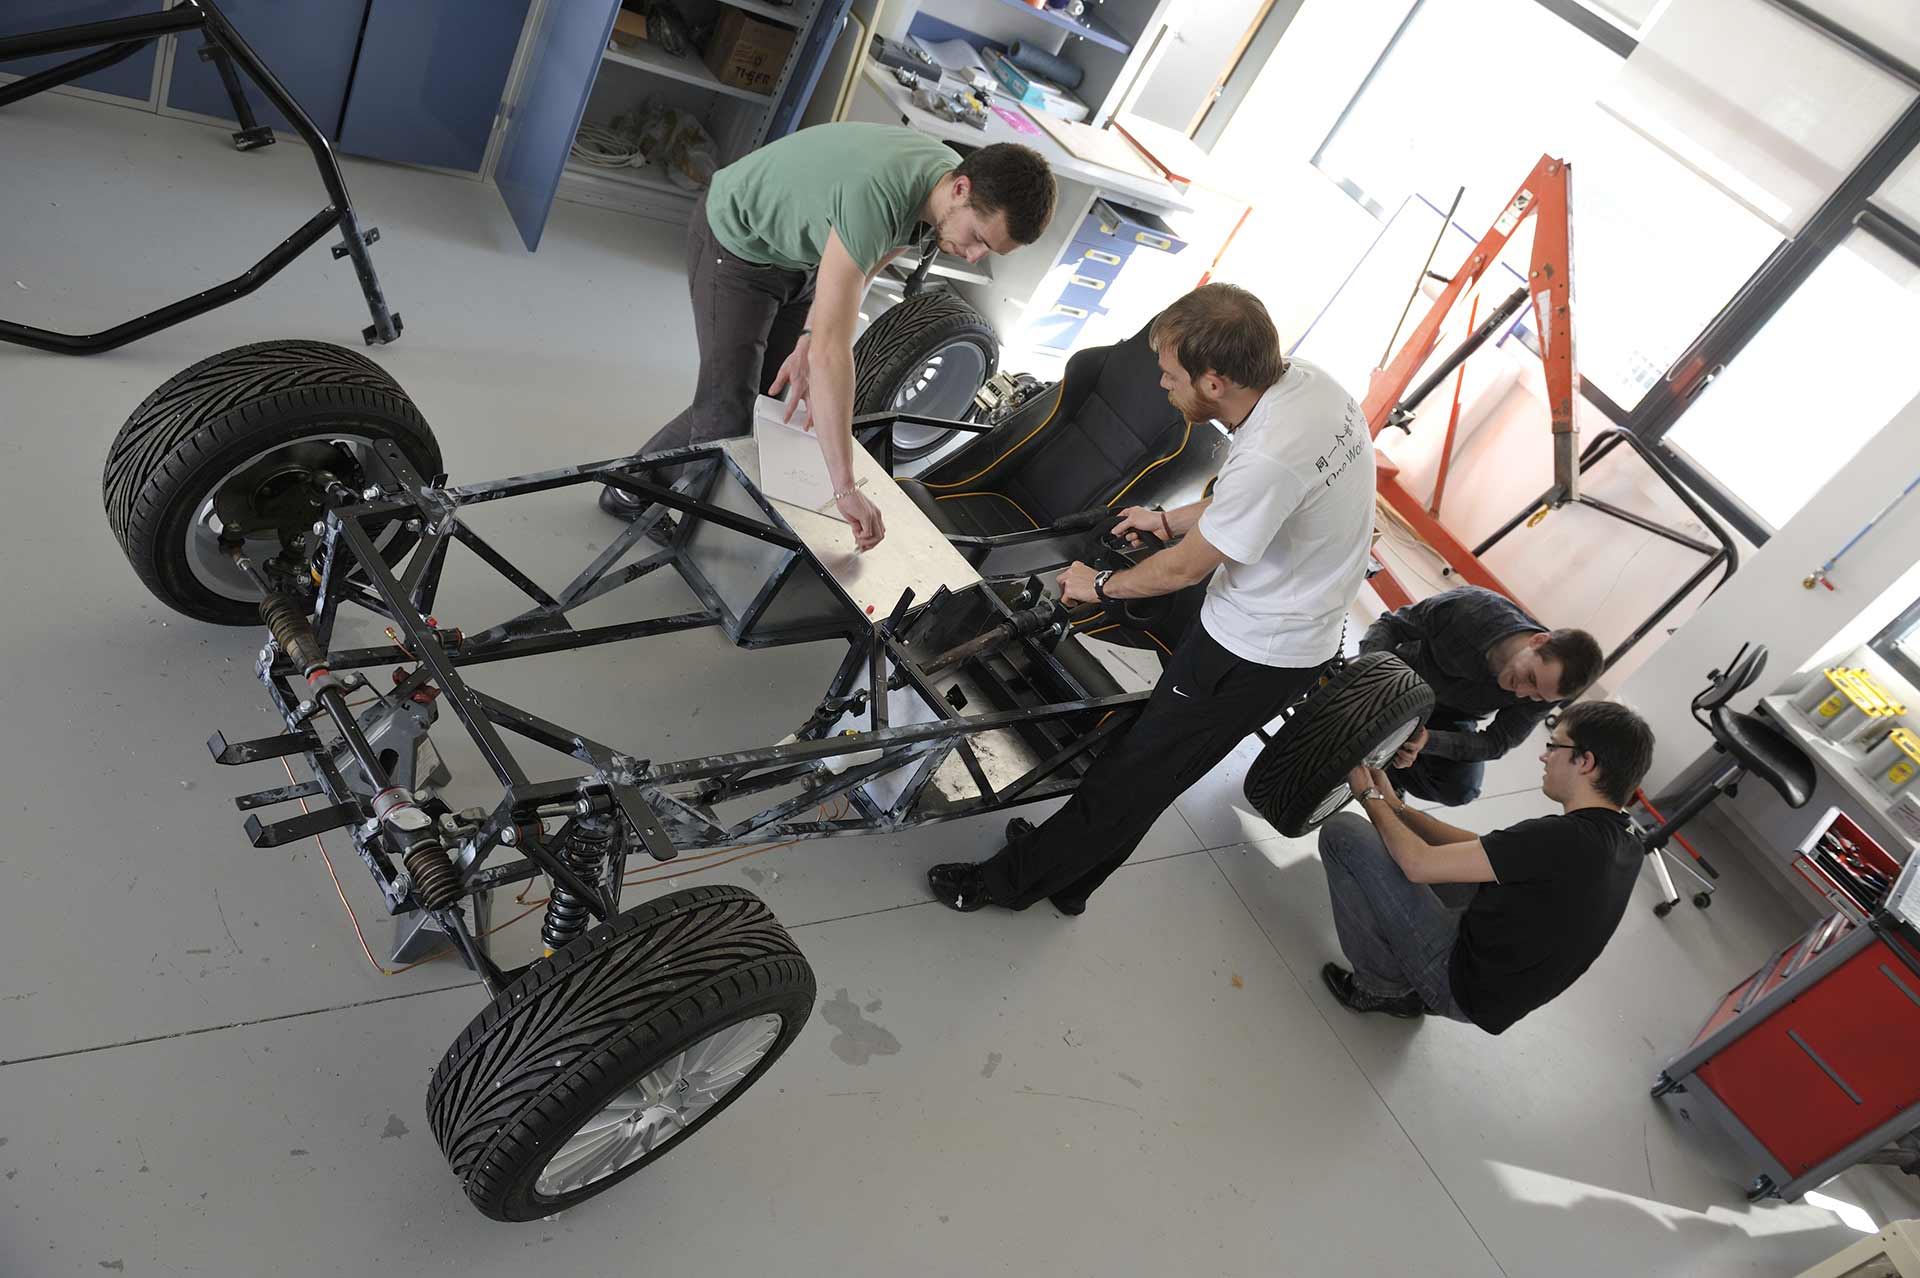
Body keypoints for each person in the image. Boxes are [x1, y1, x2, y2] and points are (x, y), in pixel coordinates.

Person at [927, 282, 1376, 916]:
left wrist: (1099, 585)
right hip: (1291, 615)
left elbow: (1182, 573)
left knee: (1134, 774)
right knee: (1148, 767)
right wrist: (1166, 521)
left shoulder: (1271, 454)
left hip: (1256, 650)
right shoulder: (1306, 384)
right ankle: (1072, 880)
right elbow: (1250, 505)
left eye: (1170, 376)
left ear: (1215, 382)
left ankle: (1010, 883)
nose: (1161, 386)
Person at [600, 123, 1057, 551]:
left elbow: (872, 258)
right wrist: (844, 487)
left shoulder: (939, 184)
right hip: (737, 246)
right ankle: (647, 507)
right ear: (962, 190)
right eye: (978, 237)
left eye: (988, 250)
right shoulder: (879, 193)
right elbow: (834, 355)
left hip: (802, 259)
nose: (974, 257)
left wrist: (808, 335)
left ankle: (634, 479)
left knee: (764, 396)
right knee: (728, 417)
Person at [1317, 699, 1654, 1032]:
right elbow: (1485, 849)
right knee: (1450, 858)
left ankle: (1383, 989)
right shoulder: (1623, 838)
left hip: (1458, 983)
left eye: (1554, 745)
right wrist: (1396, 807)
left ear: (1586, 762)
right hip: (1498, 988)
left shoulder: (1564, 837)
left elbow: (1417, 864)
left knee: (1344, 834)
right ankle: (1406, 977)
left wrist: (1369, 798)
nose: (1543, 754)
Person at [1361, 586, 1603, 806]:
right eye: (1530, 678)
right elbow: (1390, 626)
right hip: (1401, 679)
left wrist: (1427, 741)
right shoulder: (1472, 609)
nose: (1521, 693)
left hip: (1452, 714)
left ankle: (1392, 771)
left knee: (1461, 789)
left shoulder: (1548, 688)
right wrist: (1371, 678)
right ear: (1538, 641)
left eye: (1537, 697)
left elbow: (1496, 742)